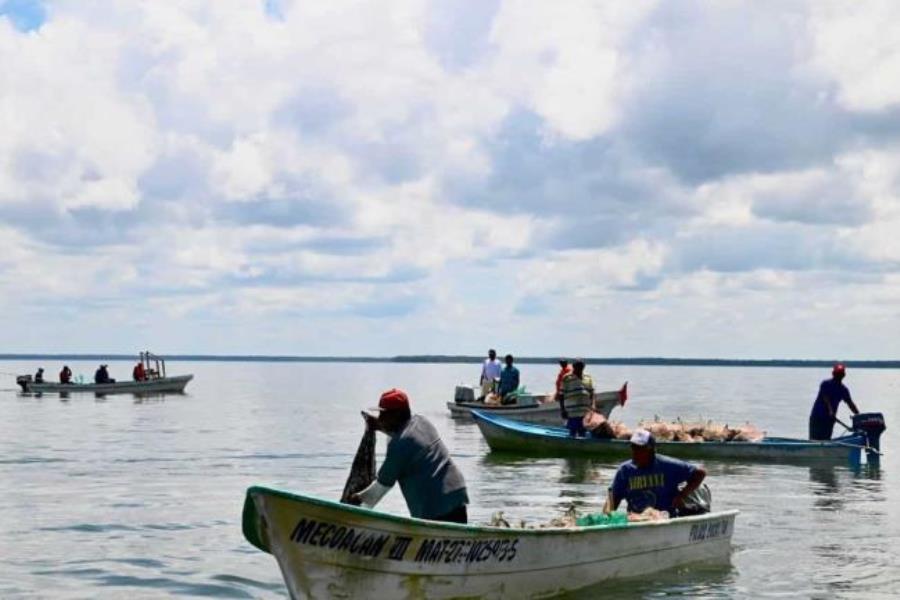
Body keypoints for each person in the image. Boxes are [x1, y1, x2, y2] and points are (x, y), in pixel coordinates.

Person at [352, 389, 469, 523]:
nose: (380, 418)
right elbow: (406, 437)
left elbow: (380, 487)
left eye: (383, 414)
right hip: (456, 494)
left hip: (435, 506)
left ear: (397, 415)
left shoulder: (399, 446)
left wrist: (356, 500)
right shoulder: (422, 421)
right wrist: (380, 426)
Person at [604, 429, 707, 517]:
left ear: (651, 449)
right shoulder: (625, 471)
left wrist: (682, 495)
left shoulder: (668, 465)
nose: (635, 452)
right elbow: (613, 498)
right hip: (637, 519)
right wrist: (606, 518)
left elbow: (699, 473)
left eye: (640, 449)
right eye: (633, 448)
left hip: (665, 518)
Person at [809, 363, 860, 440]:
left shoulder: (843, 390)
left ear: (843, 375)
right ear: (833, 374)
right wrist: (830, 411)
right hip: (817, 417)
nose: (838, 376)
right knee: (814, 439)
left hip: (829, 420)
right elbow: (826, 398)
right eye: (837, 374)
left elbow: (850, 404)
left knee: (826, 440)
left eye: (840, 374)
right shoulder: (825, 384)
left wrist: (859, 416)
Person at [559, 358, 594, 437]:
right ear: (574, 367)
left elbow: (591, 393)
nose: (579, 369)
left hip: (585, 411)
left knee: (583, 431)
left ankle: (582, 445)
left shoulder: (588, 377)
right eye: (577, 367)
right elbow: (561, 395)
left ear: (584, 367)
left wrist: (592, 406)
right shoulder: (567, 378)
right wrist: (563, 410)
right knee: (573, 431)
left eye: (581, 367)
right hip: (572, 411)